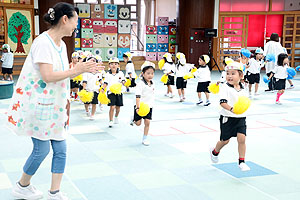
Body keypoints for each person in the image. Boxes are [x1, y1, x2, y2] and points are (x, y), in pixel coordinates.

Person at [7, 3, 98, 200]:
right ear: (65, 19)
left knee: (61, 149)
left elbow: (60, 74)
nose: (76, 26)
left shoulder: (61, 45)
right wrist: (77, 70)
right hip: (39, 105)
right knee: (42, 150)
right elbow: (48, 76)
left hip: (55, 106)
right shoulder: (43, 43)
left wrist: (79, 69)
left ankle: (54, 192)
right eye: (75, 21)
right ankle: (22, 185)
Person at [210, 62, 250, 171]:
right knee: (225, 140)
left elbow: (245, 101)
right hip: (227, 117)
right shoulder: (224, 87)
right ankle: (215, 151)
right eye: (228, 73)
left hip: (241, 118)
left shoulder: (243, 87)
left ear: (241, 75)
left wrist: (242, 109)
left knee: (242, 139)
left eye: (233, 73)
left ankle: (241, 161)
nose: (230, 76)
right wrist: (232, 109)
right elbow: (222, 103)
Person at [130, 61, 155, 146]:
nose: (150, 75)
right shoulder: (140, 84)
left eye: (152, 73)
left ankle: (145, 138)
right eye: (148, 73)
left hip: (149, 106)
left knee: (147, 122)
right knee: (138, 123)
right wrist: (137, 107)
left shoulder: (153, 83)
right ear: (143, 74)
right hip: (140, 106)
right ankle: (133, 118)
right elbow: (137, 96)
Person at [101, 57, 125, 128]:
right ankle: (110, 121)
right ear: (109, 66)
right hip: (111, 93)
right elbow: (105, 82)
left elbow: (123, 80)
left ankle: (116, 116)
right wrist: (103, 88)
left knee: (118, 108)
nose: (113, 65)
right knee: (112, 107)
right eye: (111, 64)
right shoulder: (108, 74)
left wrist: (123, 82)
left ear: (118, 65)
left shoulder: (120, 73)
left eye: (115, 64)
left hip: (119, 93)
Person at [82, 55, 102, 120]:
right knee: (86, 103)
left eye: (94, 61)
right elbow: (84, 81)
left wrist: (103, 86)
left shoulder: (98, 73)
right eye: (91, 61)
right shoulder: (86, 73)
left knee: (94, 103)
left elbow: (100, 80)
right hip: (88, 90)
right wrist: (84, 89)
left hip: (95, 90)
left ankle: (92, 115)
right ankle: (87, 110)